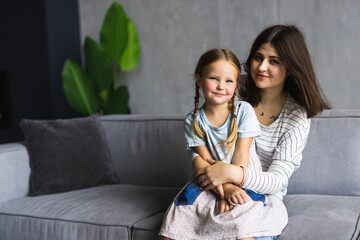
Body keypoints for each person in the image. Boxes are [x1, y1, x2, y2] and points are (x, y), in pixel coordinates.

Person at [194, 25, 331, 239]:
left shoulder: (296, 117)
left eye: (274, 61)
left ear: (292, 67)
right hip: (218, 184)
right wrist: (222, 183)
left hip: (264, 197)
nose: (262, 67)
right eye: (258, 57)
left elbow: (276, 180)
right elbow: (202, 137)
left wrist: (234, 174)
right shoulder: (233, 89)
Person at [159, 48, 288, 240]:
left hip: (240, 176)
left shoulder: (243, 111)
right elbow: (205, 161)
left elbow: (242, 155)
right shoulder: (193, 120)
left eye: (228, 81)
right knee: (173, 225)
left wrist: (231, 186)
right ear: (199, 79)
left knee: (242, 226)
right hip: (208, 181)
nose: (221, 86)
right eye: (214, 78)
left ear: (236, 85)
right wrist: (223, 190)